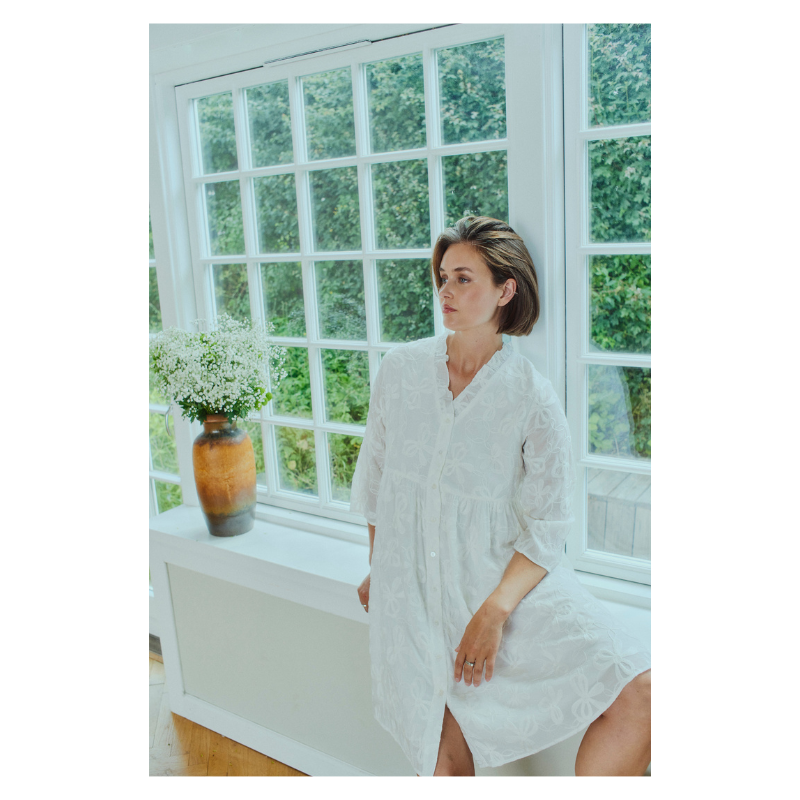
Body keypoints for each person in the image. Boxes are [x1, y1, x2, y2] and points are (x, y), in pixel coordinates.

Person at [350, 216, 651, 777]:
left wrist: (494, 611)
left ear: (505, 290)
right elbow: (377, 485)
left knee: (644, 690)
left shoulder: (532, 395)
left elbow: (548, 525)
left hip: (501, 583)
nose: (445, 290)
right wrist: (383, 566)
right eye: (443, 277)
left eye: (463, 278)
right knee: (443, 766)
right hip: (412, 594)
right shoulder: (401, 370)